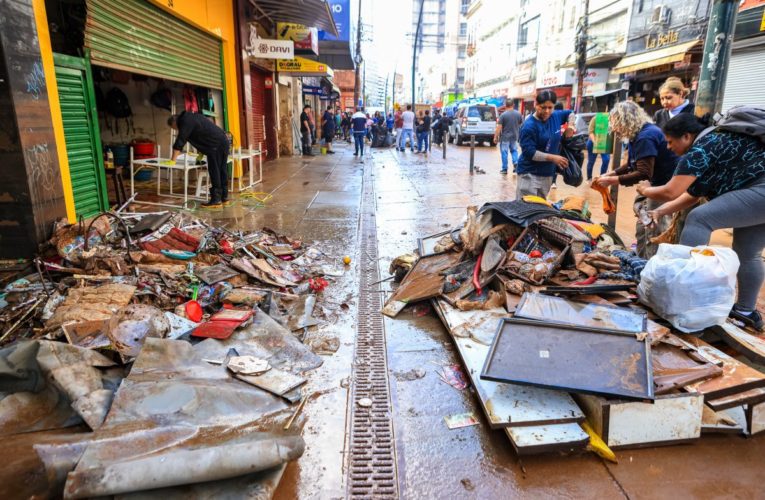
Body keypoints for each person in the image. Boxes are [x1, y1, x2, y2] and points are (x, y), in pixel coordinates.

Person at [636, 113, 765, 329]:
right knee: (748, 253)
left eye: (670, 141)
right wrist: (660, 212)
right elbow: (693, 194)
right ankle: (746, 311)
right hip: (758, 192)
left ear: (686, 136)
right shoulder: (717, 139)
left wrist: (645, 189)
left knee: (699, 218)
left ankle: (684, 295)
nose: (668, 147)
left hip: (760, 190)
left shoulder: (702, 147)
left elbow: (671, 191)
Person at [593, 101, 679, 259]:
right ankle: (639, 261)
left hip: (661, 187)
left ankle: (651, 266)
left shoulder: (645, 137)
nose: (615, 130)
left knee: (654, 230)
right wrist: (611, 174)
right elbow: (634, 163)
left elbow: (643, 172)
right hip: (653, 186)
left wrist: (612, 181)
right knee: (642, 227)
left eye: (616, 125)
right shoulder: (638, 134)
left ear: (625, 122)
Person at [516, 90, 573, 198]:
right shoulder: (529, 126)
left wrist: (571, 127)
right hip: (529, 174)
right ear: (535, 104)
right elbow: (530, 153)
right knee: (526, 210)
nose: (547, 111)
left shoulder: (555, 116)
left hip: (547, 174)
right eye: (543, 107)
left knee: (540, 210)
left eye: (550, 107)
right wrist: (553, 158)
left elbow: (571, 113)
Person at [168, 112, 230, 208]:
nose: (177, 130)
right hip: (222, 141)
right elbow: (202, 135)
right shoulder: (191, 117)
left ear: (174, 122)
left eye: (175, 128)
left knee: (215, 171)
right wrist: (200, 155)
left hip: (215, 145)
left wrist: (172, 161)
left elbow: (180, 140)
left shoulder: (185, 121)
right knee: (222, 170)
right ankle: (224, 198)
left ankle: (216, 200)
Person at [494, 99, 523, 175]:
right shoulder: (518, 114)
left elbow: (499, 127)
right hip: (515, 137)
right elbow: (521, 125)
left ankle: (504, 169)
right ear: (513, 105)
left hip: (505, 138)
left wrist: (495, 137)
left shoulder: (503, 115)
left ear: (505, 106)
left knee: (504, 153)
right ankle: (516, 164)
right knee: (514, 151)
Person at [586, 116, 610, 180]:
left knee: (606, 160)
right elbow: (590, 132)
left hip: (604, 142)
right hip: (593, 142)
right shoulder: (595, 118)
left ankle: (601, 177)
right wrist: (595, 141)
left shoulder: (612, 120)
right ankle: (589, 178)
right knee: (591, 161)